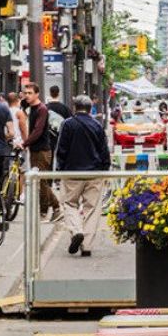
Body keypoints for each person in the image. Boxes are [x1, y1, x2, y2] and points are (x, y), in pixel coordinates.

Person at [55, 95, 111, 257]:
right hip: (94, 172)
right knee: (92, 208)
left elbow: (61, 150)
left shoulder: (67, 124)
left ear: (74, 107)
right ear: (89, 108)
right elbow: (104, 151)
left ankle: (76, 230)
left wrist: (59, 170)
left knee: (69, 204)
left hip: (72, 172)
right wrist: (105, 169)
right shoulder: (97, 125)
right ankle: (86, 245)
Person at [22, 83, 59, 220]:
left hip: (42, 150)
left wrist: (25, 143)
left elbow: (38, 130)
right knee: (40, 181)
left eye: (30, 93)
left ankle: (47, 210)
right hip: (36, 150)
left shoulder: (42, 109)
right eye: (25, 93)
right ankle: (54, 208)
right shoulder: (32, 107)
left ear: (37, 94)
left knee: (41, 181)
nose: (27, 95)